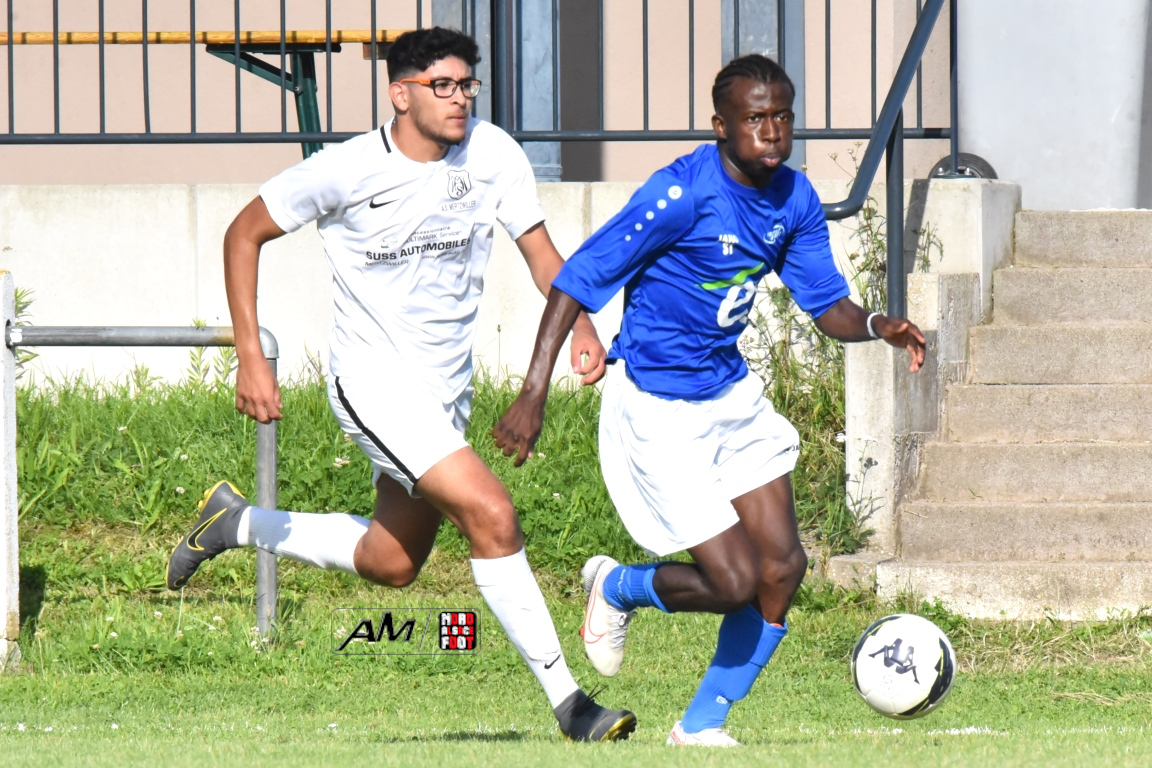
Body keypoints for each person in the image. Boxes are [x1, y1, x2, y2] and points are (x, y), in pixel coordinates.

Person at [165, 27, 635, 743]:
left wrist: (582, 327)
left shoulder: (494, 154)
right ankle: (572, 706)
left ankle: (234, 523)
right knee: (492, 513)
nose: (459, 99)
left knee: (393, 563)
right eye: (442, 86)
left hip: (446, 392)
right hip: (373, 386)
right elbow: (242, 233)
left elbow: (542, 253)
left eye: (467, 85)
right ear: (401, 94)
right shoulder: (345, 169)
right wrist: (250, 356)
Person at [492, 54, 926, 747]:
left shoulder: (795, 198)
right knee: (732, 582)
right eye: (756, 118)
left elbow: (828, 307)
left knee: (783, 568)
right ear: (721, 126)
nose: (772, 131)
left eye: (782, 117)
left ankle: (701, 725)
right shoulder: (679, 194)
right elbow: (578, 278)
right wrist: (531, 393)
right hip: (658, 408)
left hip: (730, 396)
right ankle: (618, 587)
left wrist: (878, 325)